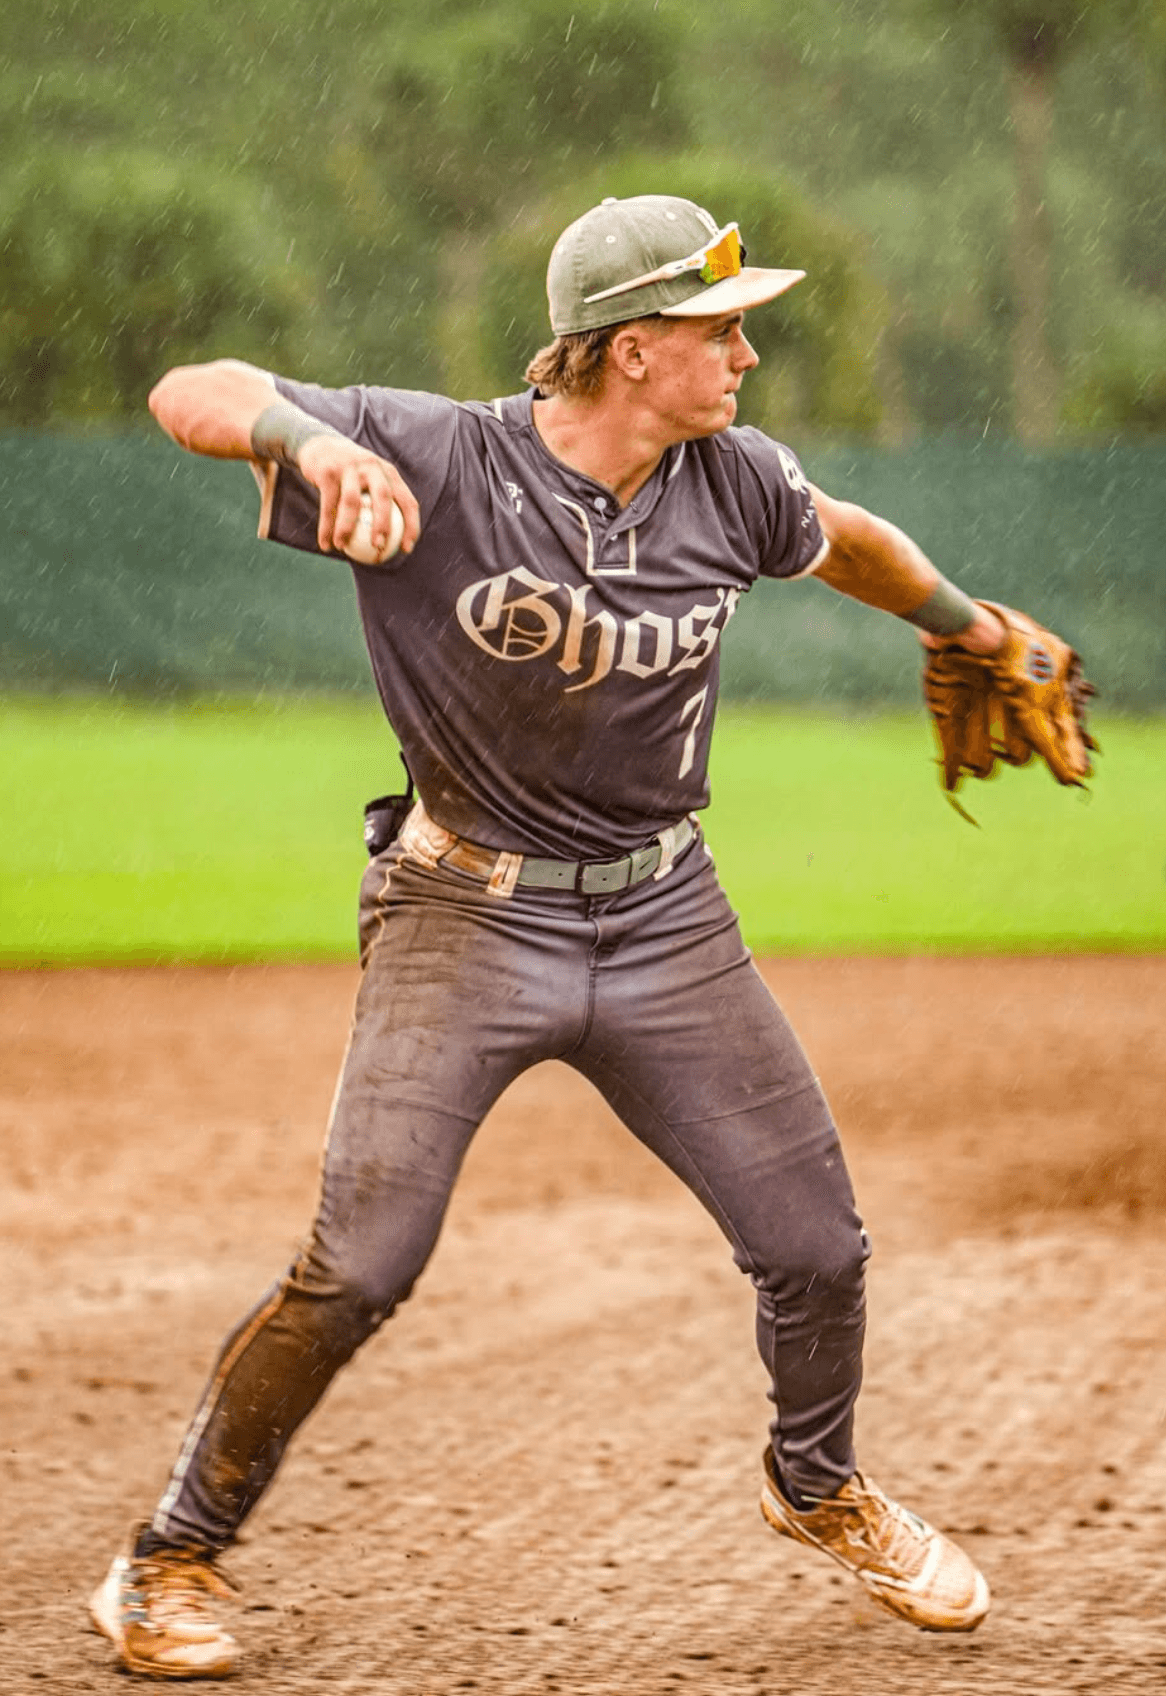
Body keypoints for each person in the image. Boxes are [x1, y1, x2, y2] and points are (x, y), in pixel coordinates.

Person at [90, 194, 998, 1679]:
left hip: (664, 916)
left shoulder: (733, 481)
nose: (747, 354)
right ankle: (170, 1557)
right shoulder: (437, 455)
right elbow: (195, 392)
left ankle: (815, 1485)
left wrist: (959, 624)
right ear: (632, 350)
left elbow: (848, 542)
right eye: (719, 330)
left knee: (814, 1246)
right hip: (460, 912)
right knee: (363, 1263)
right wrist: (307, 444)